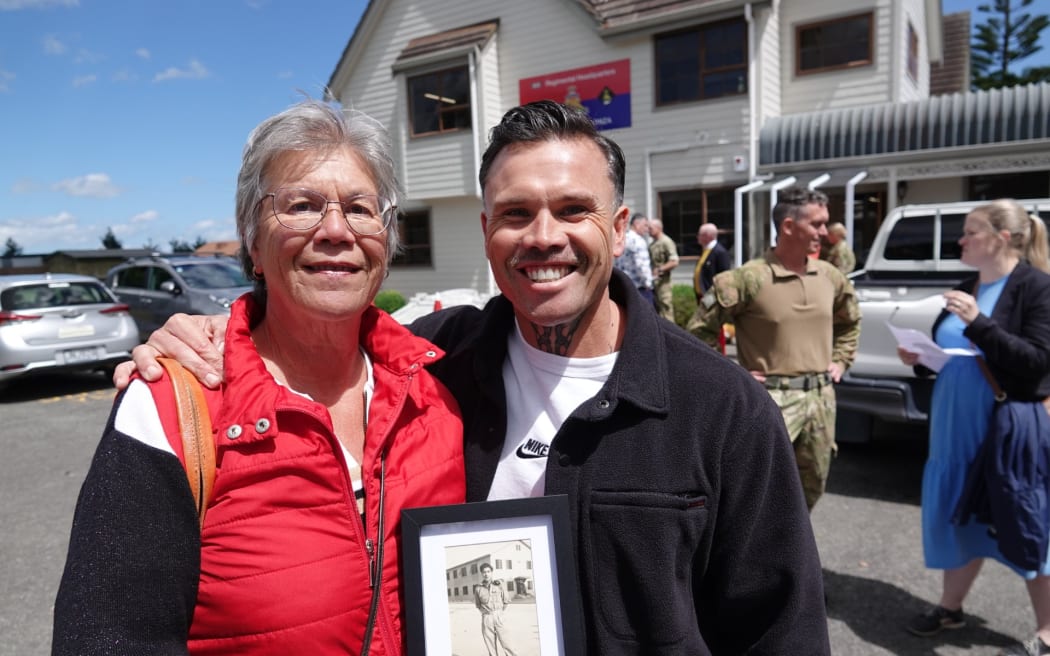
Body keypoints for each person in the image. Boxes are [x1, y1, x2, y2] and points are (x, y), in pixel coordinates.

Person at [115, 100, 830, 653]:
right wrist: (203, 342)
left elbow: (780, 633)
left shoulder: (724, 411)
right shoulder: (430, 365)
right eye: (516, 214)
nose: (544, 236)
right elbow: (307, 341)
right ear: (487, 231)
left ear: (618, 229)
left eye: (573, 210)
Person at [52, 100, 466, 655]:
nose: (336, 230)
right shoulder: (171, 410)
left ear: (386, 241)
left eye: (361, 210)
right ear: (252, 243)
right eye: (302, 205)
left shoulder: (438, 387)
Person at [898, 199, 1050, 656]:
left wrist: (978, 322)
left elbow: (1037, 362)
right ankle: (951, 607)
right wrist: (920, 360)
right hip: (952, 427)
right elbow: (950, 353)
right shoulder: (967, 285)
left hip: (1003, 425)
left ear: (1002, 238)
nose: (960, 240)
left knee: (1023, 514)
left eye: (970, 232)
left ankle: (1047, 630)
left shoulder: (1035, 287)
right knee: (957, 511)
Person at [688, 187, 861, 510]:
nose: (824, 232)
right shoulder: (748, 279)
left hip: (820, 401)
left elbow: (850, 322)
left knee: (812, 488)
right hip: (770, 400)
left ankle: (791, 556)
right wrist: (734, 377)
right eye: (817, 224)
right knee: (756, 494)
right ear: (788, 226)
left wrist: (840, 359)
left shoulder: (830, 276)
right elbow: (698, 334)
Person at [474, 563, 519, 656]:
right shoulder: (478, 588)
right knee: (490, 646)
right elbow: (478, 605)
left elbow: (506, 601)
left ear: (491, 572)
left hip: (499, 616)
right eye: (484, 572)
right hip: (486, 618)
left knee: (507, 642)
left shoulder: (499, 585)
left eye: (488, 571)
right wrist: (485, 613)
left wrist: (499, 612)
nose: (486, 574)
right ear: (481, 574)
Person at [614, 212, 654, 304]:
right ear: (637, 224)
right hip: (640, 289)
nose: (647, 229)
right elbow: (642, 265)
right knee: (646, 317)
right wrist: (648, 284)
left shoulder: (622, 239)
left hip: (623, 286)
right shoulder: (638, 241)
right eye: (645, 225)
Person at [647, 217, 679, 321]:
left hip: (663, 283)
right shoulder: (652, 244)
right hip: (654, 283)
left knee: (666, 310)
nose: (648, 230)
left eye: (651, 228)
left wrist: (660, 269)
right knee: (657, 310)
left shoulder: (666, 242)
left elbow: (674, 261)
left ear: (658, 228)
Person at [692, 222, 731, 300]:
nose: (698, 237)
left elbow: (724, 275)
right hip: (702, 295)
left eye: (700, 234)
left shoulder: (720, 252)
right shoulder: (706, 250)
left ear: (708, 236)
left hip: (712, 296)